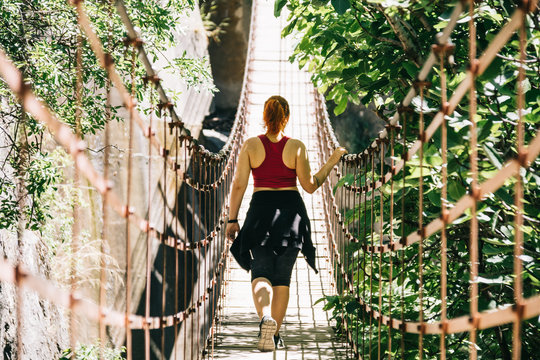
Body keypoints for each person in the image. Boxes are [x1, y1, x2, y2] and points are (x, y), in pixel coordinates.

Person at [226, 95, 347, 352]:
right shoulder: (296, 147)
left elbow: (239, 184)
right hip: (292, 215)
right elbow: (310, 186)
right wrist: (332, 161)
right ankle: (273, 335)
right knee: (282, 277)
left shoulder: (250, 145)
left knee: (260, 271)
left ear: (264, 117)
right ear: (287, 118)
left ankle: (265, 318)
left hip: (259, 213)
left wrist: (232, 219)